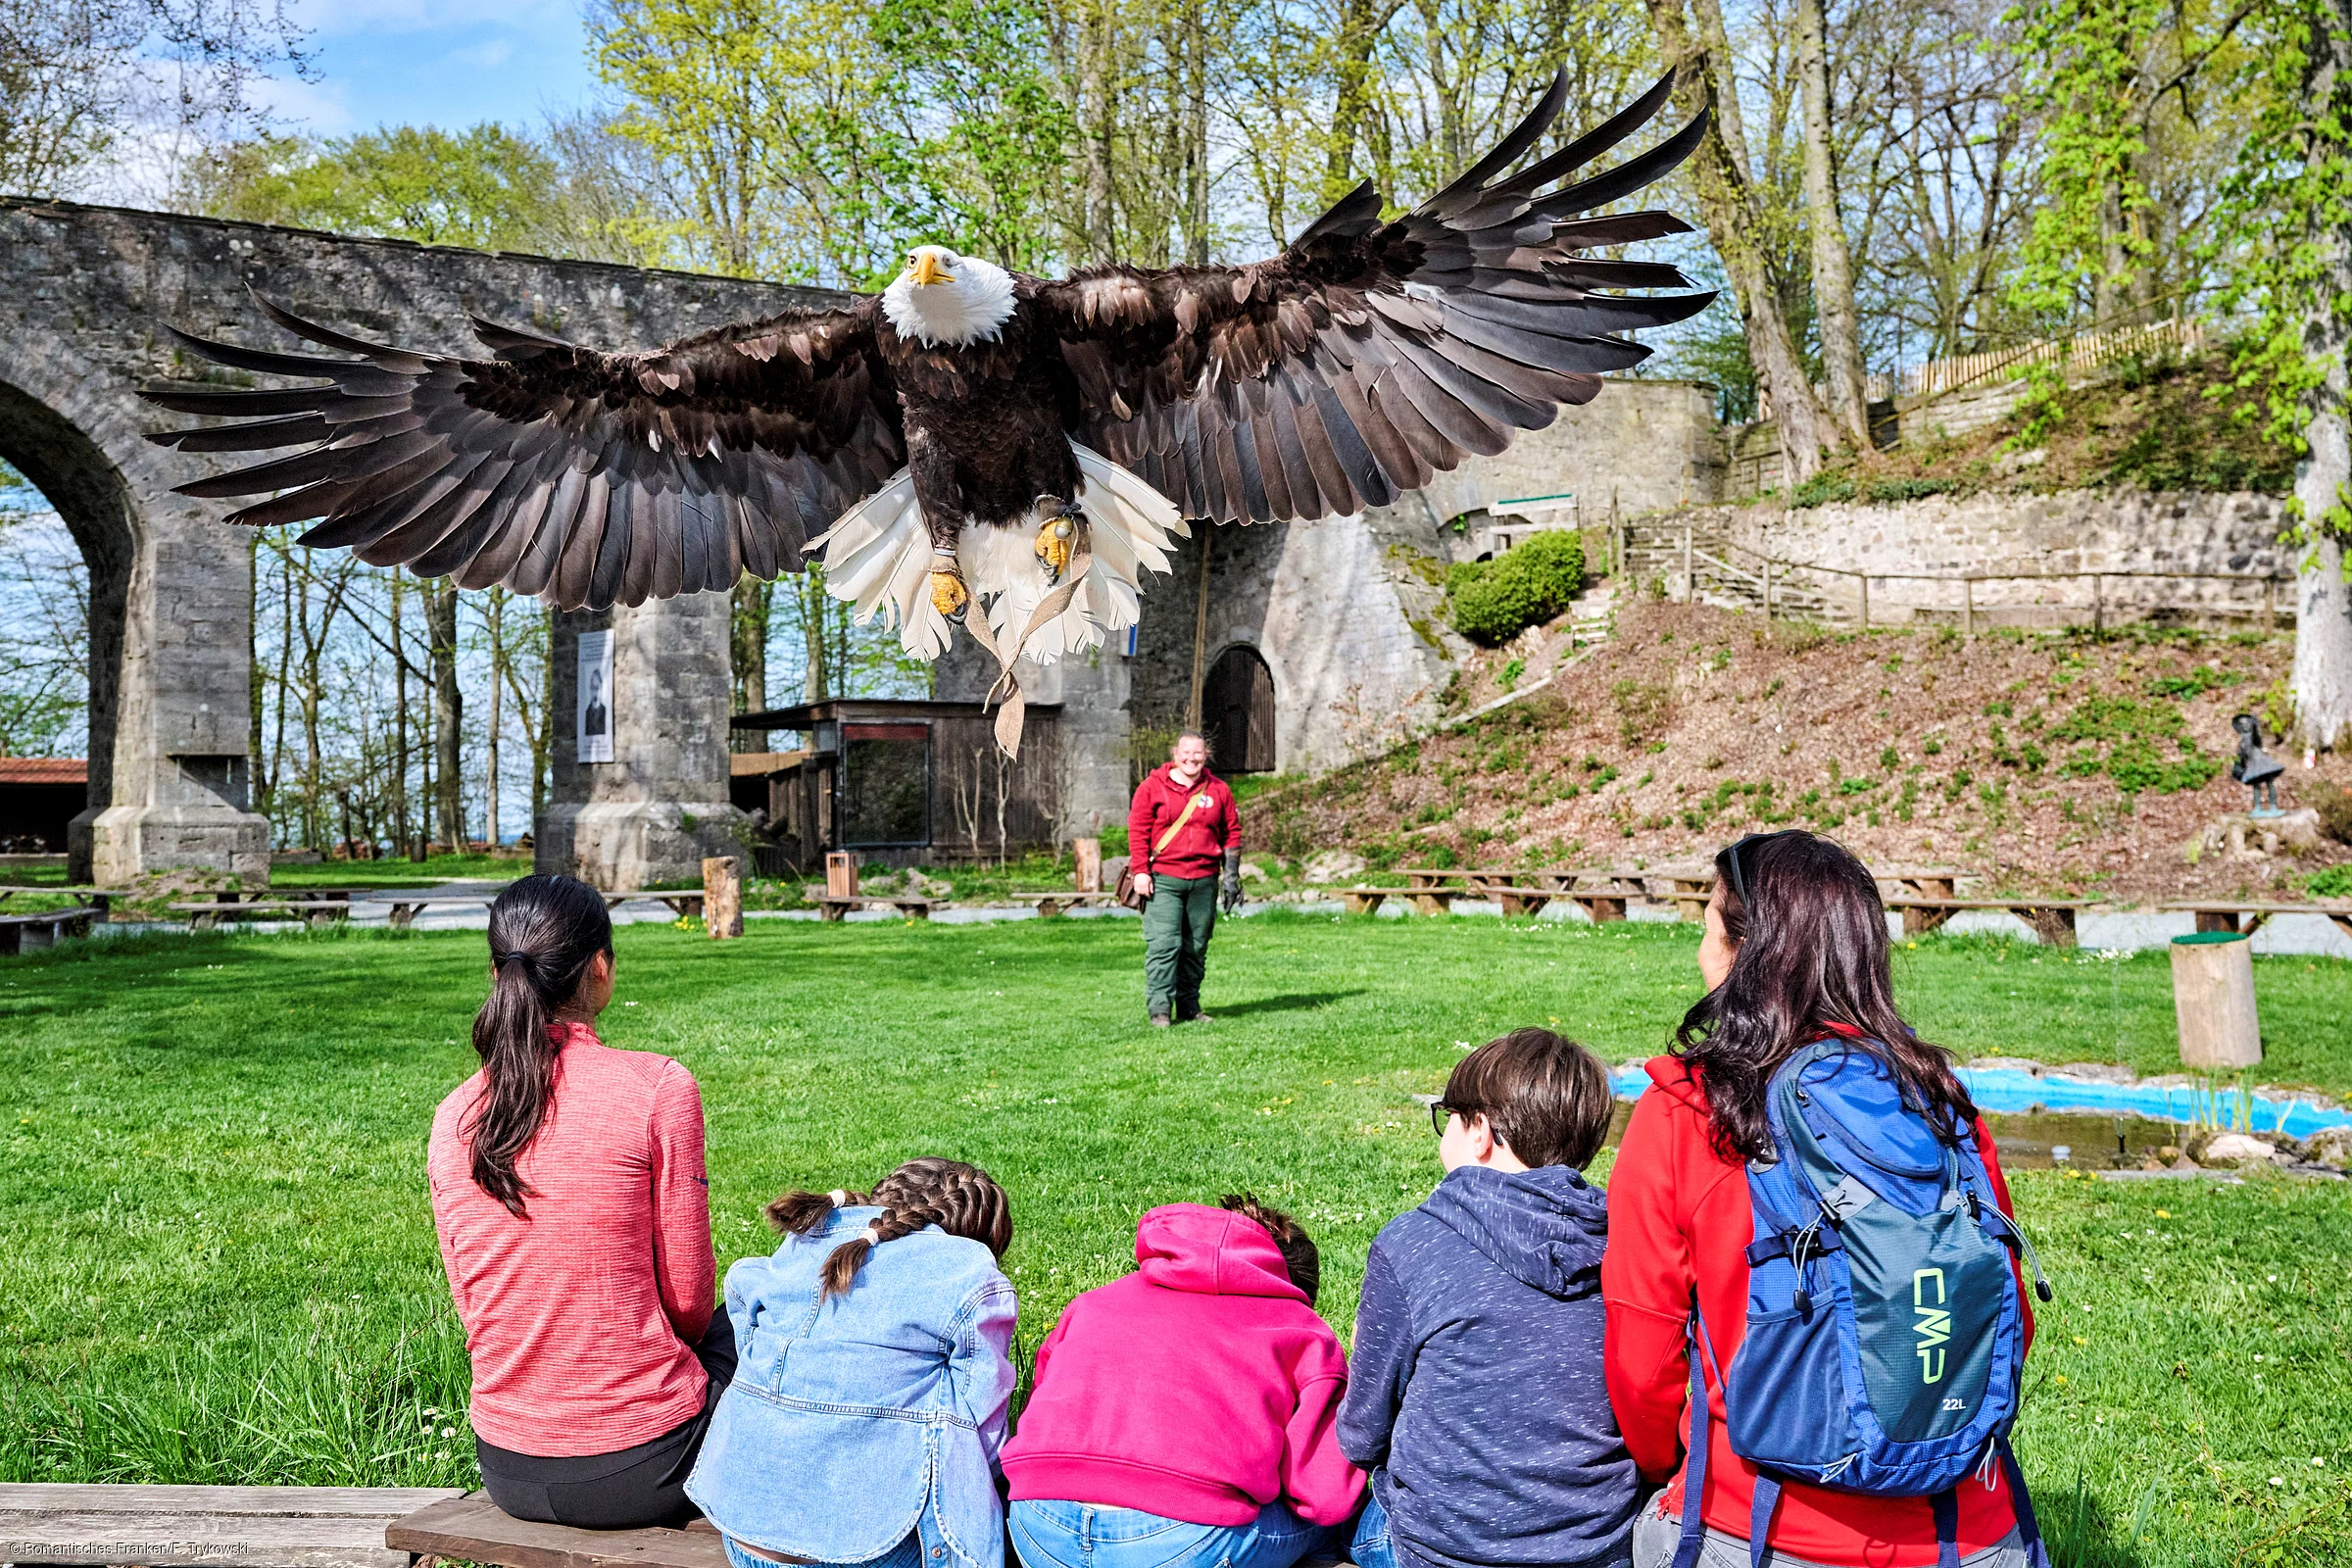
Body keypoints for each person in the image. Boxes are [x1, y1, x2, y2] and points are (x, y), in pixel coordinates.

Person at [1602, 831, 2037, 1568]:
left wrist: (1665, 1469)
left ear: (1747, 953)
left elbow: (1642, 1367)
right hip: (1968, 1532)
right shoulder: (1939, 1104)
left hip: (1757, 1528)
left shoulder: (1688, 1108)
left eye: (1710, 927)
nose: (1701, 952)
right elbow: (2005, 1314)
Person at [427, 874, 733, 1529]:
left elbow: (470, 1304)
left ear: (496, 971)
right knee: (759, 1313)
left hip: (506, 1465)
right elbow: (689, 1306)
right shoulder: (658, 1088)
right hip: (646, 1466)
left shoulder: (454, 1113)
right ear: (599, 967)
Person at [1340, 1029, 1637, 1568]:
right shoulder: (1626, 1247)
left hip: (1442, 1550)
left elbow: (1361, 1435)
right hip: (1597, 1547)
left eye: (1448, 1113)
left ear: (1481, 1131)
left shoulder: (1413, 1243)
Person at [688, 1160, 1017, 1568]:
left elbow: (741, 1288)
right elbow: (985, 1435)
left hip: (743, 1529)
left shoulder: (808, 1241)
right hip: (871, 1549)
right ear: (976, 1239)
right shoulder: (965, 1274)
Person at [1003, 1196, 1360, 1568]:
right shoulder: (1300, 1327)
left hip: (1037, 1525)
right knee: (1327, 1529)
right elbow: (1326, 1496)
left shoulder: (1093, 1302)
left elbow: (1035, 1406)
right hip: (1178, 1541)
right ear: (1295, 1288)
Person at [1127, 731, 1241, 1026]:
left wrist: (1231, 877)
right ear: (1175, 754)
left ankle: (1190, 1007)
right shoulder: (1152, 787)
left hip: (1204, 880)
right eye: (1185, 752)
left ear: (1207, 755)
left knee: (1196, 947)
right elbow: (1138, 829)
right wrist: (1141, 870)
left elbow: (1231, 833)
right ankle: (1160, 1010)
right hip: (1164, 878)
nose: (1191, 758)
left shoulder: (1219, 790)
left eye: (1198, 753)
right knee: (1165, 945)